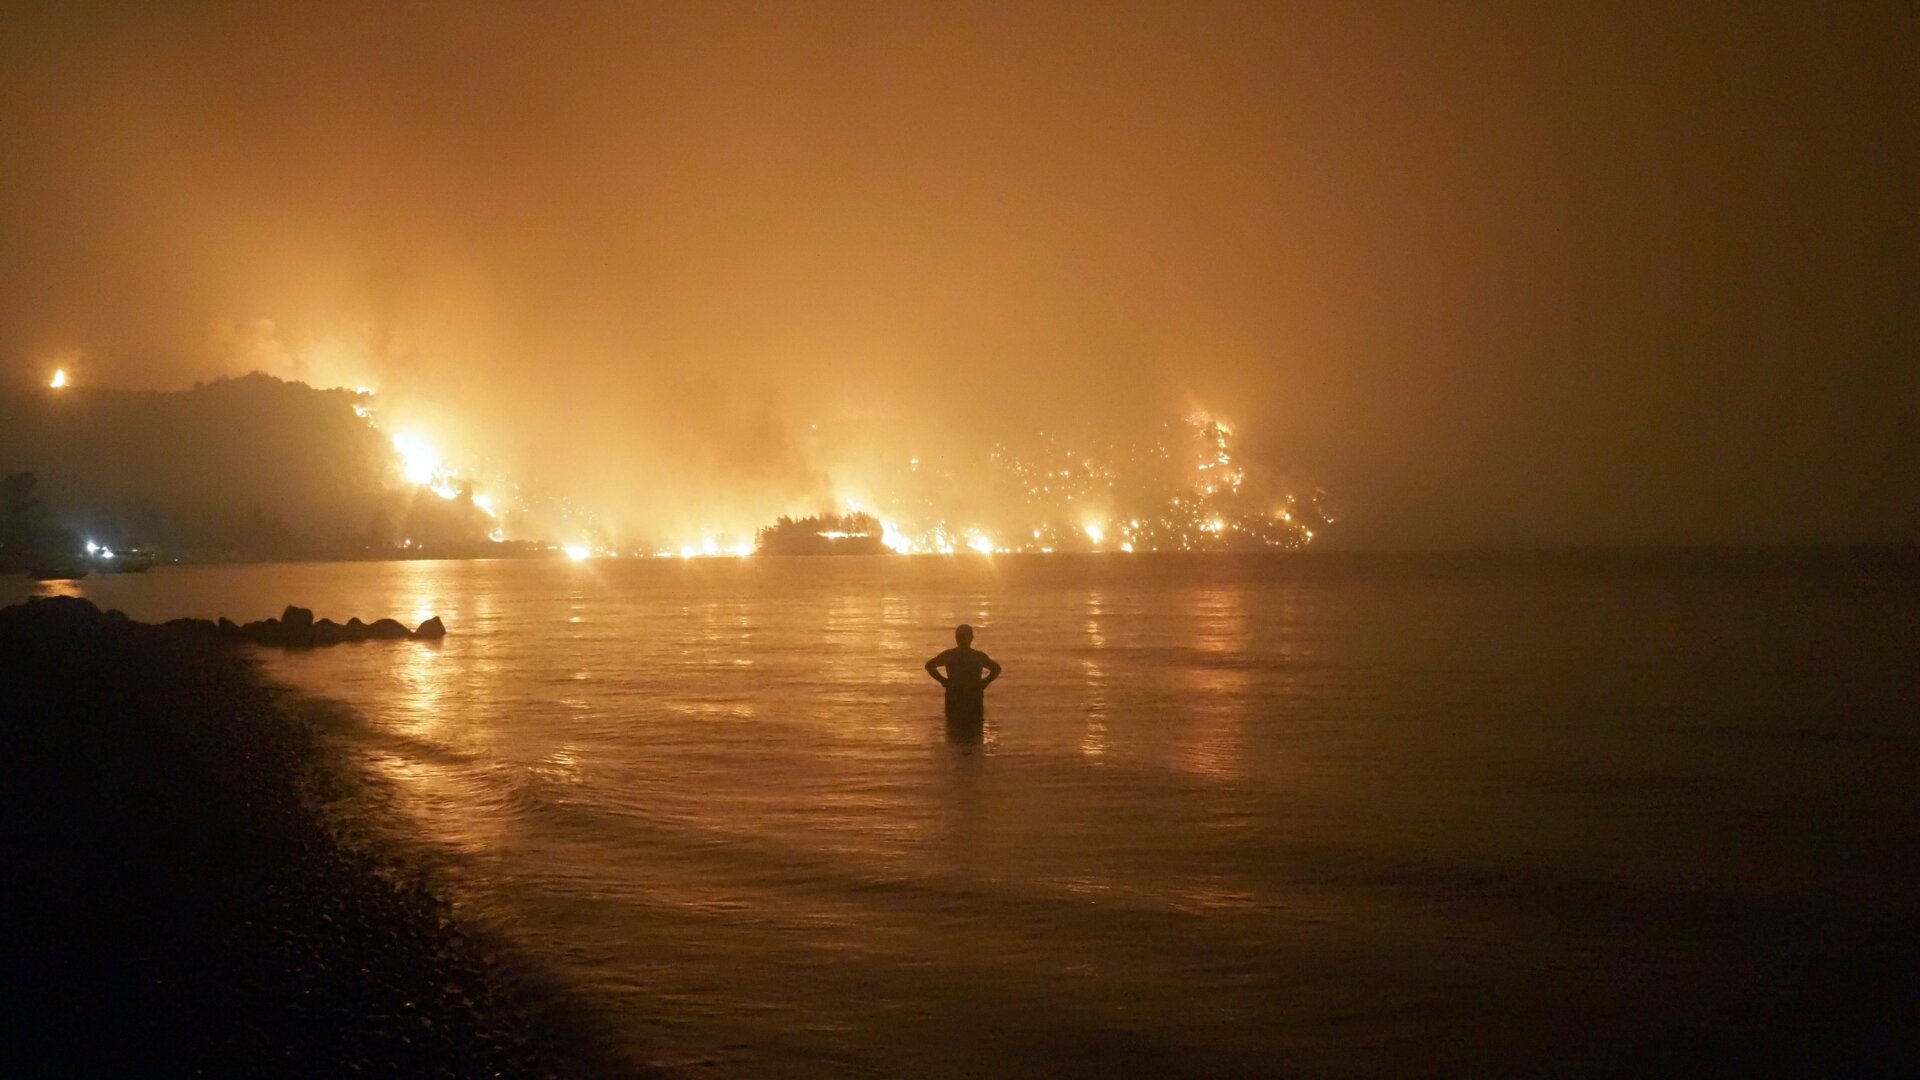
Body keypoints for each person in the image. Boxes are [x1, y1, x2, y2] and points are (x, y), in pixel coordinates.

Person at [925, 624, 1001, 724]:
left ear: (956, 638)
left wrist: (943, 681)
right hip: (973, 696)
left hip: (954, 695)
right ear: (972, 638)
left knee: (953, 729)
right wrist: (984, 683)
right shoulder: (977, 656)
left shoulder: (950, 655)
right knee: (975, 730)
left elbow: (929, 665)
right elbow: (996, 668)